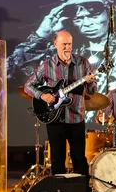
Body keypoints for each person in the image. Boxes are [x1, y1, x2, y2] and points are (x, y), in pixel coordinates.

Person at [23, 30, 97, 176]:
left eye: (70, 44)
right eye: (64, 44)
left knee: (79, 159)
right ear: (55, 44)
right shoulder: (47, 65)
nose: (67, 47)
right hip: (54, 119)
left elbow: (92, 91)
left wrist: (90, 82)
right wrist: (42, 96)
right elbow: (27, 86)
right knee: (57, 160)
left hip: (76, 118)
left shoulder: (83, 63)